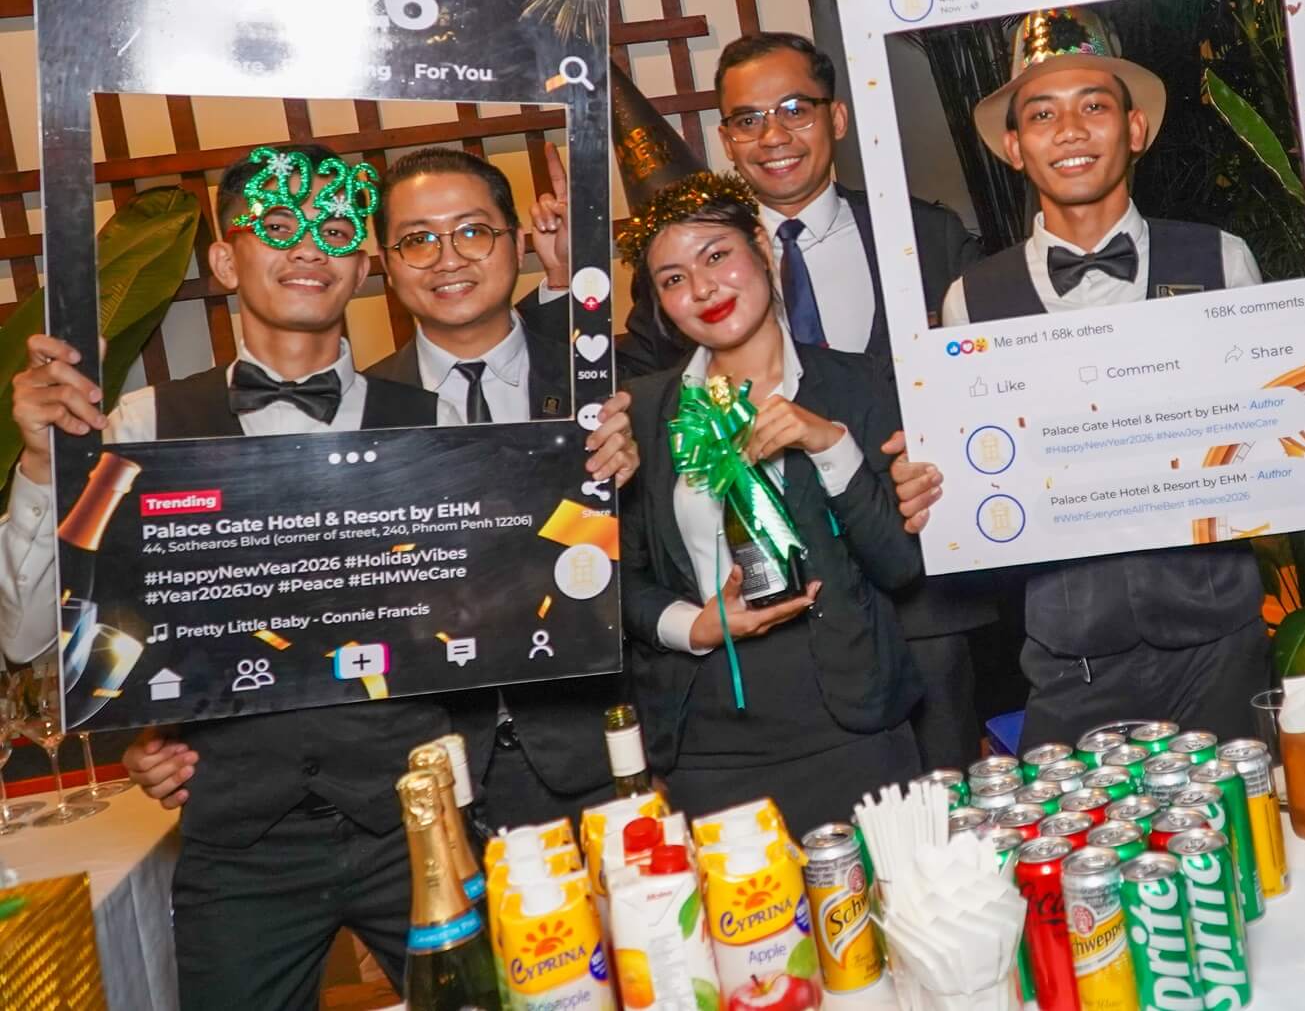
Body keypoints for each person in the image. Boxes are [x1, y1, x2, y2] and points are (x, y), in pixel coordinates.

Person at [0, 142, 601, 1009]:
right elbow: (30, 634)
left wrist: (593, 479)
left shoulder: (438, 421)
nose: (309, 246)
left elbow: (519, 610)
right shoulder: (141, 423)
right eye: (278, 224)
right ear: (224, 259)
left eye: (337, 228)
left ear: (363, 264)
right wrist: (36, 464)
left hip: (418, 822)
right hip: (239, 840)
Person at [898, 5, 1305, 746]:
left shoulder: (1221, 259)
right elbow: (980, 479)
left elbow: (1285, 436)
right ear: (1014, 146)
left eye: (1094, 106)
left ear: (1134, 129)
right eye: (1042, 114)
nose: (1070, 131)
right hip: (1069, 658)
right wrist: (932, 486)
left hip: (1221, 646)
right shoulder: (970, 300)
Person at [625, 32, 997, 772]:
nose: (773, 135)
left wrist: (944, 461)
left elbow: (987, 388)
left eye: (794, 108)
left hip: (920, 611)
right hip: (744, 673)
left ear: (837, 117)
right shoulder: (690, 278)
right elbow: (627, 415)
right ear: (726, 138)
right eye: (747, 119)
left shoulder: (926, 235)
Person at [615, 171, 925, 837]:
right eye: (673, 279)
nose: (702, 289)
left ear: (760, 246)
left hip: (850, 721)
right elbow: (617, 578)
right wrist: (690, 625)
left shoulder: (860, 383)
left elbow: (899, 565)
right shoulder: (642, 411)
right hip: (707, 742)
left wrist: (831, 445)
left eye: (717, 256)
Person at [361, 144, 638, 829]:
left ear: (516, 241)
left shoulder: (609, 382)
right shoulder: (358, 414)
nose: (447, 258)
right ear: (387, 265)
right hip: (435, 774)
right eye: (418, 240)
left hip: (612, 746)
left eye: (472, 231)